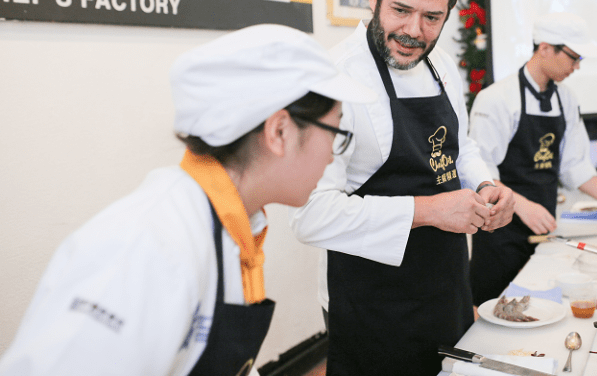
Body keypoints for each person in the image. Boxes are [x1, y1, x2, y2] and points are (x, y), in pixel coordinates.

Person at [0, 25, 375, 376]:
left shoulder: (231, 227)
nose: (333, 153)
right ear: (279, 131)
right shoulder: (144, 249)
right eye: (336, 130)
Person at [289, 0, 515, 376]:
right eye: (401, 11)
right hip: (372, 303)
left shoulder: (442, 65)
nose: (415, 31)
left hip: (445, 285)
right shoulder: (334, 78)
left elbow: (460, 146)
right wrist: (430, 210)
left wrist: (486, 185)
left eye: (433, 17)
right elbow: (310, 215)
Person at [467, 12, 597, 306]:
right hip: (499, 233)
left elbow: (575, 165)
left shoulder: (566, 99)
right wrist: (522, 206)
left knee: (538, 310)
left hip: (544, 230)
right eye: (573, 58)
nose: (576, 67)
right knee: (494, 312)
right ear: (545, 48)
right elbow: (480, 171)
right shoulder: (496, 99)